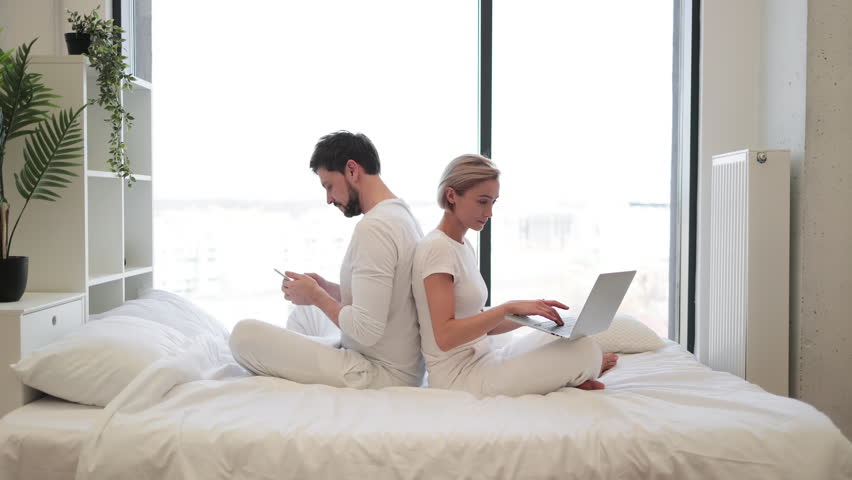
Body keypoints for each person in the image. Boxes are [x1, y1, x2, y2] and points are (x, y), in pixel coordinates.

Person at [230, 131, 425, 389]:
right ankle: (301, 365)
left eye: (329, 186)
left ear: (352, 170)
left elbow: (366, 329)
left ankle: (297, 369)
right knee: (304, 313)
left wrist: (317, 297)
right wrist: (326, 289)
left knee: (243, 336)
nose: (329, 199)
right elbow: (387, 298)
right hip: (398, 362)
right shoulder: (401, 215)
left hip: (379, 371)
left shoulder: (375, 228)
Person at [411, 154, 617, 397]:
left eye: (493, 203)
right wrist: (506, 308)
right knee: (583, 352)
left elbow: (479, 325)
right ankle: (577, 372)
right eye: (482, 201)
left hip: (485, 358)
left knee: (571, 341)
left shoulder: (463, 246)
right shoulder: (438, 248)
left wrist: (532, 316)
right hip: (460, 379)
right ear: (452, 195)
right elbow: (445, 337)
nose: (489, 212)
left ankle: (572, 373)